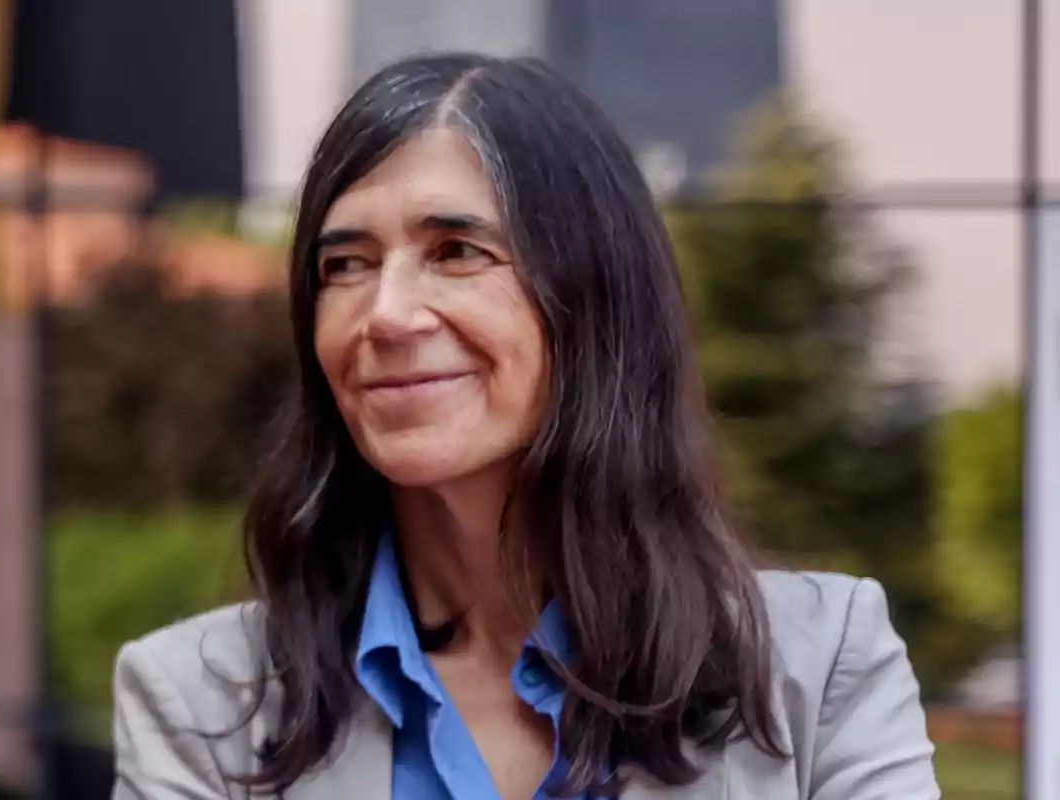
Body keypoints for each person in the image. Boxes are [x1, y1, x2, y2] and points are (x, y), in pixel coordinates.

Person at [111, 53, 939, 800]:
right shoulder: (201, 702)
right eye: (346, 265)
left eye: (457, 252)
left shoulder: (817, 667)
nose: (386, 313)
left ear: (592, 300)